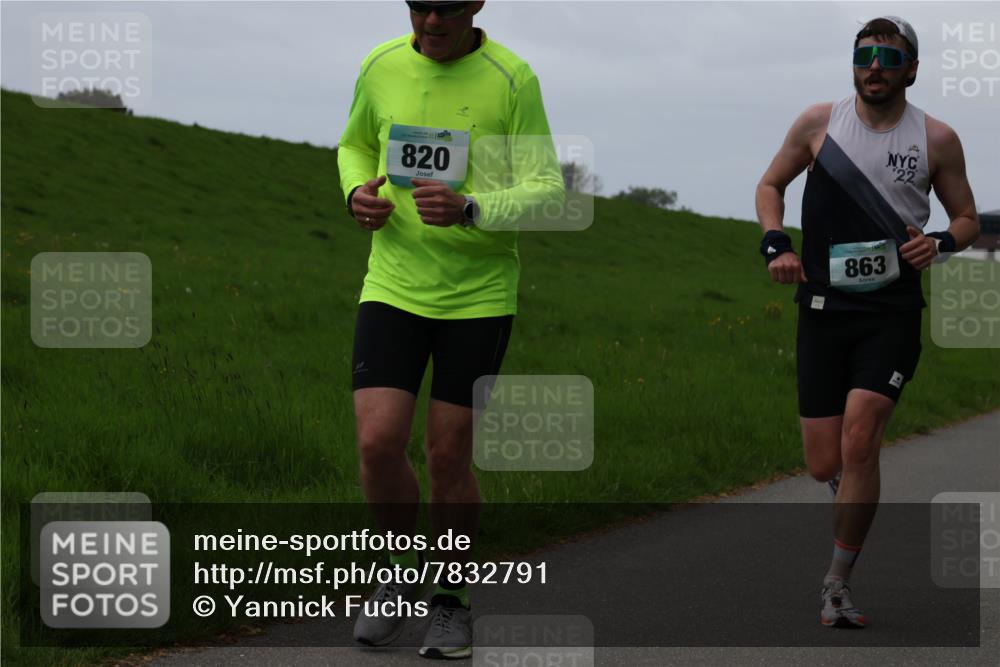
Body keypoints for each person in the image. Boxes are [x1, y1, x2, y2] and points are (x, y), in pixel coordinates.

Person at [337, 0, 563, 658]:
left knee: (447, 454)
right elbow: (353, 142)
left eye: (447, 9)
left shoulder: (512, 78)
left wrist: (473, 207)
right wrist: (356, 193)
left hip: (478, 294)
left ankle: (453, 600)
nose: (431, 22)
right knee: (378, 442)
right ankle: (401, 566)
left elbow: (549, 188)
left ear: (477, 6)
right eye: (419, 7)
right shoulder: (381, 65)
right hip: (394, 284)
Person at [755, 16, 979, 628]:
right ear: (853, 65)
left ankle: (836, 584)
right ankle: (849, 489)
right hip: (824, 310)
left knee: (861, 439)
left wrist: (941, 244)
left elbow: (967, 217)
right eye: (864, 55)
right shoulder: (819, 124)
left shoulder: (936, 138)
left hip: (892, 312)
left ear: (911, 68)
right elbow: (771, 184)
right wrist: (777, 243)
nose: (874, 65)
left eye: (888, 55)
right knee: (825, 462)